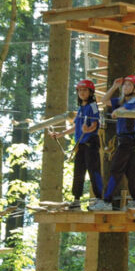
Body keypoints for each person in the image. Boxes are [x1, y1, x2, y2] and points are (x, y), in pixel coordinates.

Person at [89, 75, 135, 211]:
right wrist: (114, 87)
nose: (126, 87)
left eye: (129, 85)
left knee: (115, 169)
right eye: (124, 85)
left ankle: (107, 201)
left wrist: (117, 111)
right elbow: (104, 100)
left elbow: (123, 110)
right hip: (125, 141)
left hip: (128, 140)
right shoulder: (121, 101)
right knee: (132, 172)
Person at [49, 79, 103, 210]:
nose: (82, 93)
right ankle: (76, 200)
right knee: (78, 172)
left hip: (91, 143)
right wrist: (60, 134)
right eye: (80, 90)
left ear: (90, 92)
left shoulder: (93, 106)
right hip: (81, 145)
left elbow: (96, 124)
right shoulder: (80, 108)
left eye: (85, 90)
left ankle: (101, 199)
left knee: (93, 171)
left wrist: (88, 130)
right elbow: (76, 126)